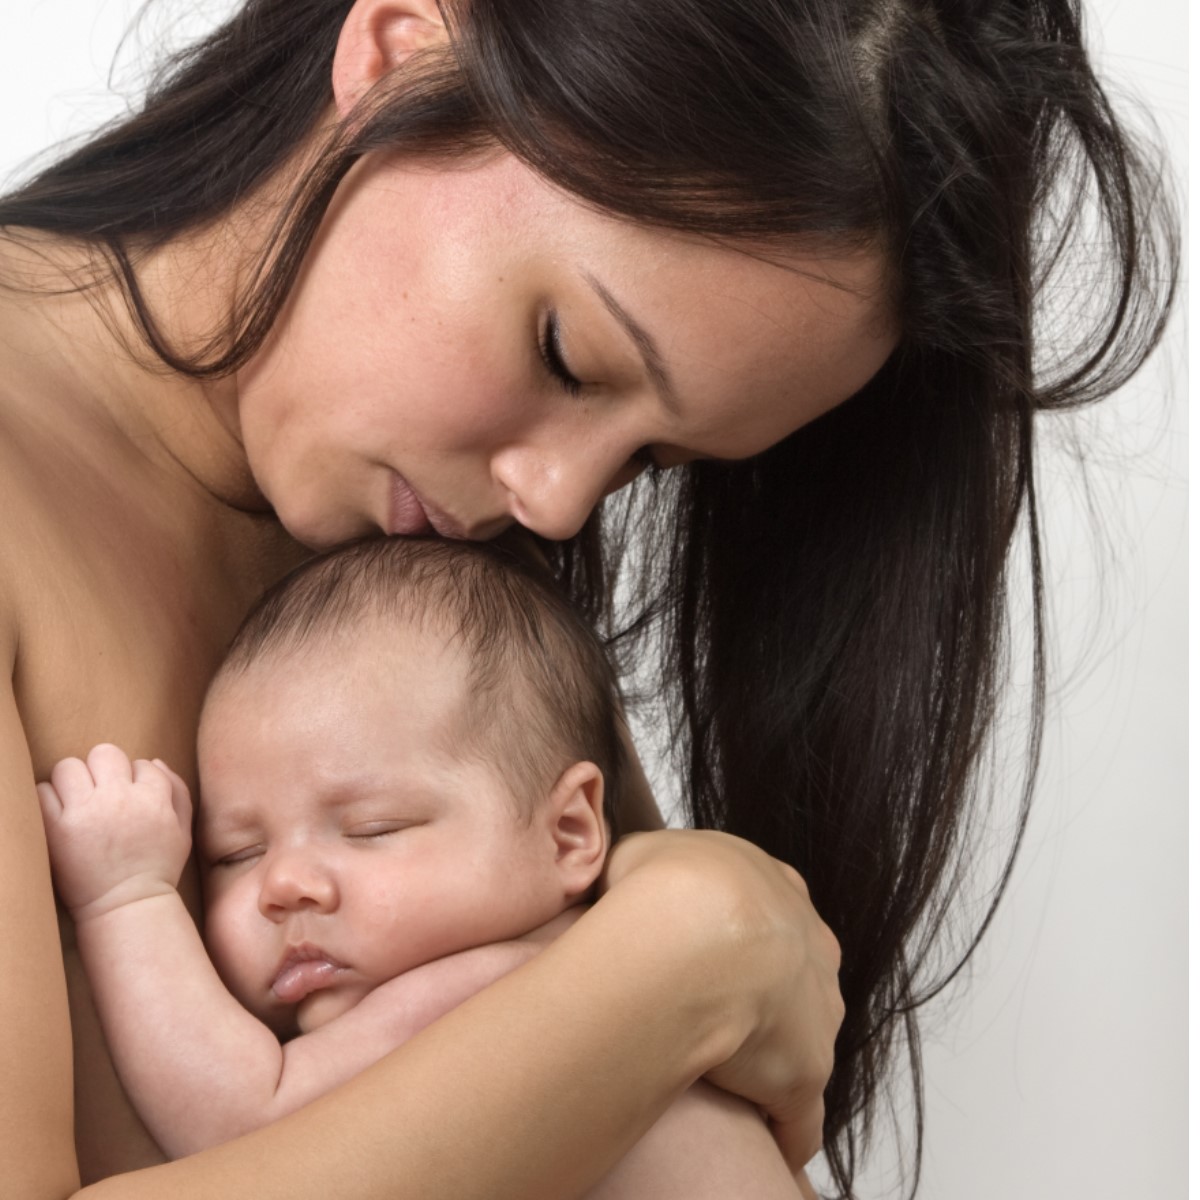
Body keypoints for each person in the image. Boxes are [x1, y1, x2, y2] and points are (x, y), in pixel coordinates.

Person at [0, 0, 1175, 1197]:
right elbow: (665, 1019)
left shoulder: (438, 606)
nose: (558, 504)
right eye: (565, 353)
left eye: (648, 462)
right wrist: (678, 958)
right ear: (402, 50)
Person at [39, 535, 806, 1199]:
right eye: (235, 855)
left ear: (570, 832)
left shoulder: (499, 986)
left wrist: (128, 897)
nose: (284, 886)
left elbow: (242, 1120)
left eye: (374, 829)